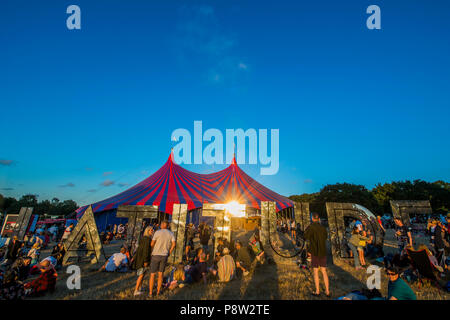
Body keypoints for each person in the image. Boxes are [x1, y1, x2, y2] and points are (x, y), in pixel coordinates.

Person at [303, 212, 330, 297]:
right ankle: (327, 291)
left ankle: (317, 291)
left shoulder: (310, 227)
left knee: (315, 272)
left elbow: (305, 237)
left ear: (312, 218)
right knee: (324, 271)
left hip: (314, 252)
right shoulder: (323, 228)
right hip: (323, 251)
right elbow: (325, 237)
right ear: (318, 219)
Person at [149, 220, 175, 297]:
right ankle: (158, 291)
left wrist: (154, 248)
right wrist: (169, 251)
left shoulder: (157, 232)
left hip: (156, 254)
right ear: (167, 225)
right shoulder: (171, 233)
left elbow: (152, 244)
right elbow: (174, 244)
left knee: (153, 274)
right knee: (161, 274)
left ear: (162, 225)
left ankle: (150, 292)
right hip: (164, 255)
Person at [131, 226, 153, 296]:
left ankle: (139, 287)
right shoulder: (147, 240)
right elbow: (146, 251)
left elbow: (139, 249)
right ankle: (136, 290)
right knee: (141, 274)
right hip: (143, 260)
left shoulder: (143, 238)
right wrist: (146, 261)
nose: (152, 231)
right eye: (151, 230)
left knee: (142, 274)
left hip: (140, 258)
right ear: (147, 231)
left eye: (152, 230)